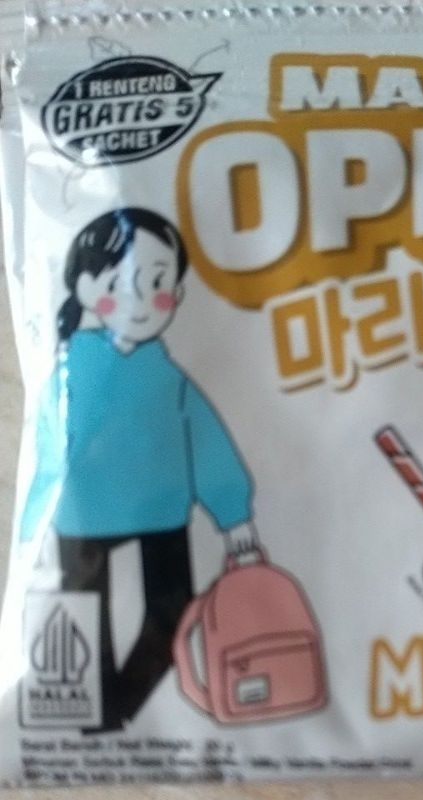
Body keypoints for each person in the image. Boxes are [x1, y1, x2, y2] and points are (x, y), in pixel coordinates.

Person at [20, 207, 259, 732]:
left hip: (163, 515)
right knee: (80, 629)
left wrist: (234, 515)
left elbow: (209, 445)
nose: (141, 301)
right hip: (82, 519)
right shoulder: (66, 373)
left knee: (173, 619)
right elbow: (45, 454)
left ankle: (114, 714)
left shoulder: (169, 378)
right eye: (120, 283)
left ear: (178, 292)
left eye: (157, 283)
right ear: (85, 288)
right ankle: (94, 719)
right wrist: (29, 530)